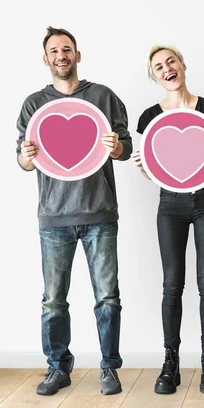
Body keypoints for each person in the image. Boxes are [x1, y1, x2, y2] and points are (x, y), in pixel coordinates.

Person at [16, 26, 132, 396]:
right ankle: (57, 367)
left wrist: (117, 149)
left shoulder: (103, 96)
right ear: (45, 59)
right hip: (54, 217)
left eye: (67, 49)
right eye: (54, 50)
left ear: (78, 55)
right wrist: (25, 156)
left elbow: (127, 147)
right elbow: (24, 160)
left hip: (99, 213)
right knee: (53, 300)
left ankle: (109, 369)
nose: (61, 55)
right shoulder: (35, 104)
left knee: (107, 297)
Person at [132, 45, 204, 394]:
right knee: (172, 284)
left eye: (170, 61)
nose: (166, 68)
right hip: (170, 205)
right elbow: (154, 171)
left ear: (182, 65)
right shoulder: (148, 117)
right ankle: (170, 363)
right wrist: (144, 168)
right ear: (155, 77)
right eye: (158, 67)